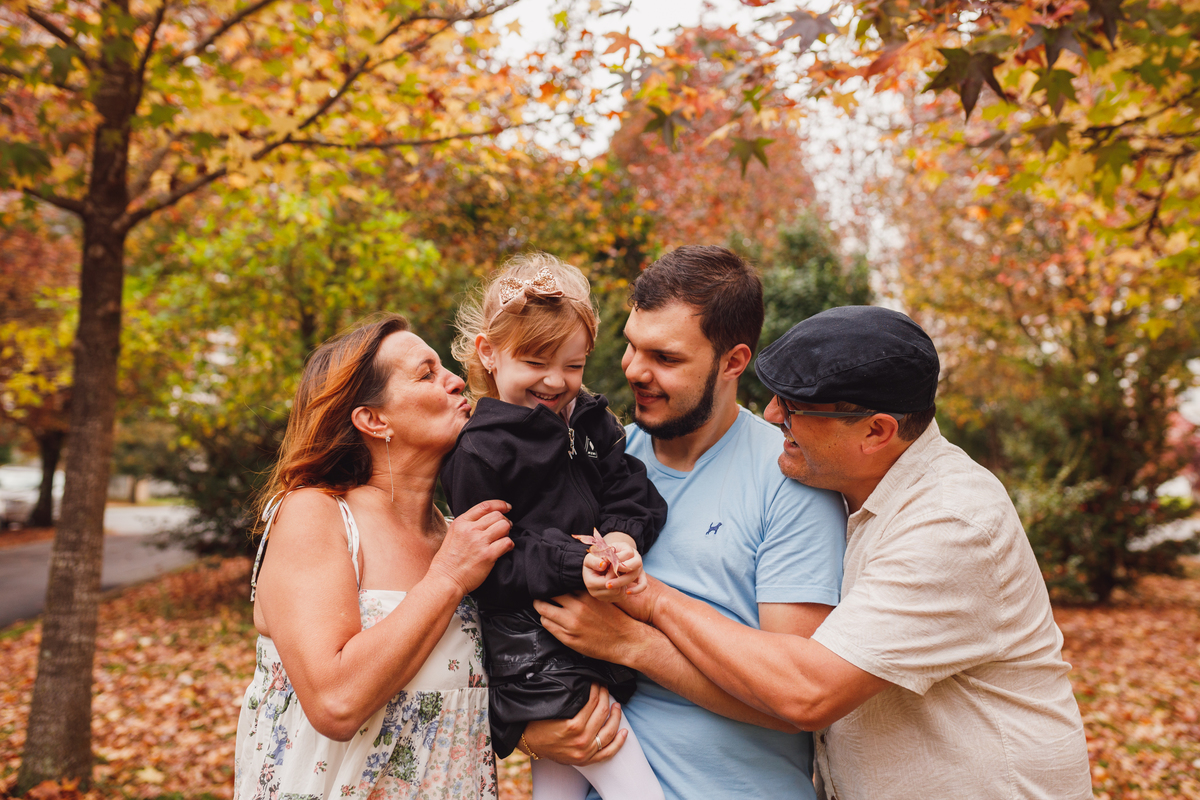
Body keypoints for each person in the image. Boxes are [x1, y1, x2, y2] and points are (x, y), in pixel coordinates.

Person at [563, 305, 1094, 799]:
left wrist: (649, 606)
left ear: (876, 431)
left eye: (795, 407)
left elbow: (807, 692)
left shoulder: (950, 522)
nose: (771, 414)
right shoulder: (852, 491)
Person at [533, 246, 849, 800]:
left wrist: (634, 645)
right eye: (632, 345)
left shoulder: (788, 480)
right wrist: (533, 730)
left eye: (665, 357)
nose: (634, 369)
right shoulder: (599, 462)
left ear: (733, 362)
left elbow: (795, 702)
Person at [233, 314, 519, 800]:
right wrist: (448, 578)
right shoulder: (315, 514)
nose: (455, 380)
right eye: (426, 374)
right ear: (373, 420)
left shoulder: (462, 536)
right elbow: (335, 702)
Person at [439, 254, 668, 800]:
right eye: (535, 361)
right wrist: (575, 562)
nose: (555, 381)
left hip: (591, 636)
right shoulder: (480, 451)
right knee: (638, 791)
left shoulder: (588, 421)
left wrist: (620, 537)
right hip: (535, 650)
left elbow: (630, 488)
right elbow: (492, 567)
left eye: (573, 365)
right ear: (488, 353)